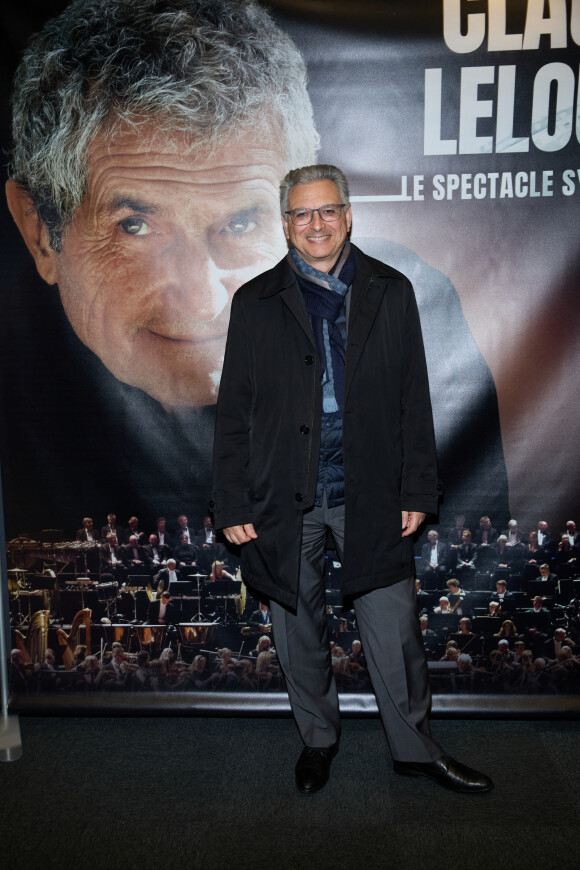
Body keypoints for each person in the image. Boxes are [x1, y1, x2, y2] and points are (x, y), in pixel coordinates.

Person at [1, 0, 508, 543]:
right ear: (39, 233)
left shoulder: (391, 301)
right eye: (135, 227)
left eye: (242, 222)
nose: (202, 301)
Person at [212, 164, 493, 794]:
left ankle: (416, 751)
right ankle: (317, 742)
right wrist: (231, 499)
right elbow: (235, 415)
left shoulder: (391, 290)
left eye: (328, 211)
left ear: (348, 215)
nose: (316, 225)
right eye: (302, 214)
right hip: (282, 496)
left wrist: (419, 490)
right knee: (297, 629)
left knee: (395, 633)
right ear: (285, 224)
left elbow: (412, 401)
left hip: (371, 490)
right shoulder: (253, 303)